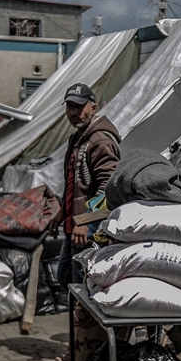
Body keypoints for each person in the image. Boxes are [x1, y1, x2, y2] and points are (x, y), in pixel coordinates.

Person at [58, 82, 121, 286]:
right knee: (66, 279)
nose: (73, 112)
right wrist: (62, 212)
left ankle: (83, 319)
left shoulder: (99, 141)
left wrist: (85, 222)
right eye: (70, 107)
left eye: (79, 106)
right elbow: (75, 184)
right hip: (74, 225)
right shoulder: (78, 139)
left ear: (93, 108)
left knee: (82, 289)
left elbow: (108, 187)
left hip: (87, 229)